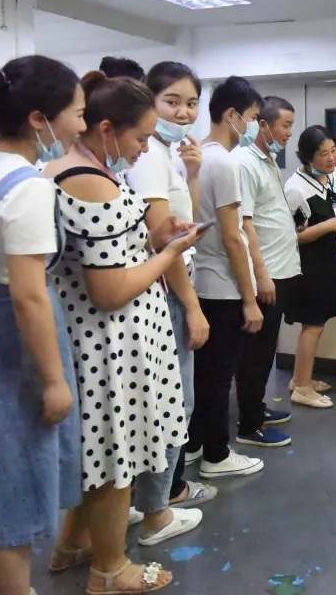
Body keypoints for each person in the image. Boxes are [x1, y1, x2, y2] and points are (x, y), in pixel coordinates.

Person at [43, 72, 201, 593]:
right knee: (114, 460)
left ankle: (73, 542)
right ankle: (110, 568)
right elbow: (110, 289)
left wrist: (155, 236)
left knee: (99, 455)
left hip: (101, 338)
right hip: (108, 345)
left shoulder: (77, 170)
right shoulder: (92, 180)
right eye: (140, 138)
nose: (144, 149)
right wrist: (168, 254)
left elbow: (111, 248)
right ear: (107, 128)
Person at [0, 55, 84, 595]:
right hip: (8, 350)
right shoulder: (27, 188)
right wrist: (53, 381)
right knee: (12, 487)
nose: (78, 126)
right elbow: (28, 296)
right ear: (38, 119)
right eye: (76, 113)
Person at [125, 62, 216, 536]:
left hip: (176, 274)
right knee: (173, 399)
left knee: (172, 397)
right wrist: (194, 306)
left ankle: (152, 500)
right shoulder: (149, 157)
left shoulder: (166, 154)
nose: (183, 113)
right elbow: (167, 241)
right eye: (172, 102)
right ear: (149, 101)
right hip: (168, 283)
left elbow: (186, 221)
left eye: (191, 103)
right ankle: (156, 508)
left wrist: (193, 172)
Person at [189, 76, 266, 477]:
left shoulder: (197, 157)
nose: (254, 126)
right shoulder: (224, 162)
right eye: (253, 117)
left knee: (202, 375)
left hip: (199, 282)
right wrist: (250, 299)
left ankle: (194, 444)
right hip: (223, 286)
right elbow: (233, 237)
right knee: (219, 377)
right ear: (232, 114)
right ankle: (216, 455)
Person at [231, 95, 300, 447]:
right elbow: (244, 225)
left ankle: (256, 408)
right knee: (255, 355)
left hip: (281, 269)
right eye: (285, 125)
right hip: (267, 273)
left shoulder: (268, 160)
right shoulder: (244, 162)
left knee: (265, 350)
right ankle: (249, 425)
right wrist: (261, 276)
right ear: (263, 124)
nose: (289, 133)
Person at [283, 125, 336, 408]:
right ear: (308, 157)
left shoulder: (333, 175)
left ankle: (302, 378)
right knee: (312, 326)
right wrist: (328, 227)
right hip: (309, 267)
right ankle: (301, 388)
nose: (331, 158)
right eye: (323, 153)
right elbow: (292, 236)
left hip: (329, 262)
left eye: (333, 150)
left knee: (318, 324)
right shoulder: (295, 189)